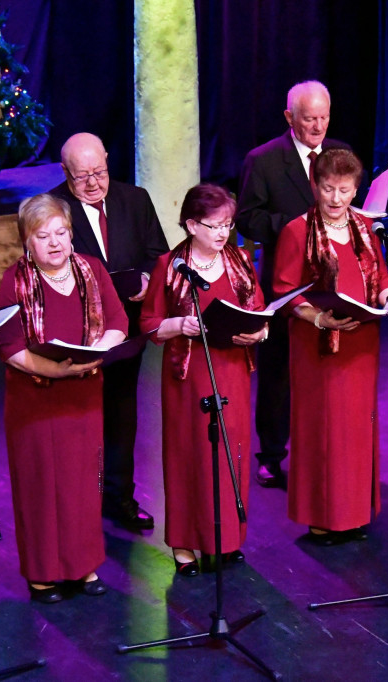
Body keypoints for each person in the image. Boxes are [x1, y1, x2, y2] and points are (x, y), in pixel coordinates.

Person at [0, 194, 127, 602]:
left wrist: (97, 352)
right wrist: (56, 370)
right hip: (35, 402)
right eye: (43, 236)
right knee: (40, 487)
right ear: (27, 241)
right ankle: (43, 574)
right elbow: (8, 346)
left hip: (83, 396)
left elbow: (119, 321)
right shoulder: (15, 280)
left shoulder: (92, 269)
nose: (54, 242)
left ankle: (83, 565)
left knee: (83, 484)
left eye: (61, 232)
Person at [140, 184, 266, 575]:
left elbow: (260, 309)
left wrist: (259, 332)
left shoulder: (240, 260)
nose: (223, 233)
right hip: (189, 375)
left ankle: (225, 541)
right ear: (192, 225)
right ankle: (184, 544)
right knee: (189, 453)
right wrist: (180, 324)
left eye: (228, 224)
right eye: (214, 225)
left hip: (231, 369)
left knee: (231, 449)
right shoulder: (170, 265)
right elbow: (149, 324)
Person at [49, 132, 168, 530]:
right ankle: (78, 502)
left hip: (125, 332)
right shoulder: (51, 209)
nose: (93, 183)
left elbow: (158, 254)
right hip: (76, 336)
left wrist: (147, 278)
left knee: (121, 414)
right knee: (78, 421)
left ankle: (119, 498)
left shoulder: (135, 199)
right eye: (81, 176)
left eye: (99, 172)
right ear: (65, 172)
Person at [237, 80, 351, 489]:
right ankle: (271, 456)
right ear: (289, 117)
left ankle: (320, 449)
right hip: (286, 282)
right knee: (278, 372)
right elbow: (247, 218)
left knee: (327, 367)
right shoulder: (264, 160)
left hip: (334, 278)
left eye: (323, 118)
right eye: (309, 119)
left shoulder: (339, 154)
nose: (318, 126)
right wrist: (296, 225)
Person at [273, 149, 388, 544]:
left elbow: (379, 275)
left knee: (356, 428)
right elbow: (285, 292)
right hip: (318, 348)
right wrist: (319, 318)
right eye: (327, 189)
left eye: (344, 190)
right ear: (315, 186)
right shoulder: (297, 231)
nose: (336, 198)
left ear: (356, 190)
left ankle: (354, 514)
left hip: (361, 342)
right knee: (323, 429)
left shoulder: (366, 227)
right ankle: (322, 517)